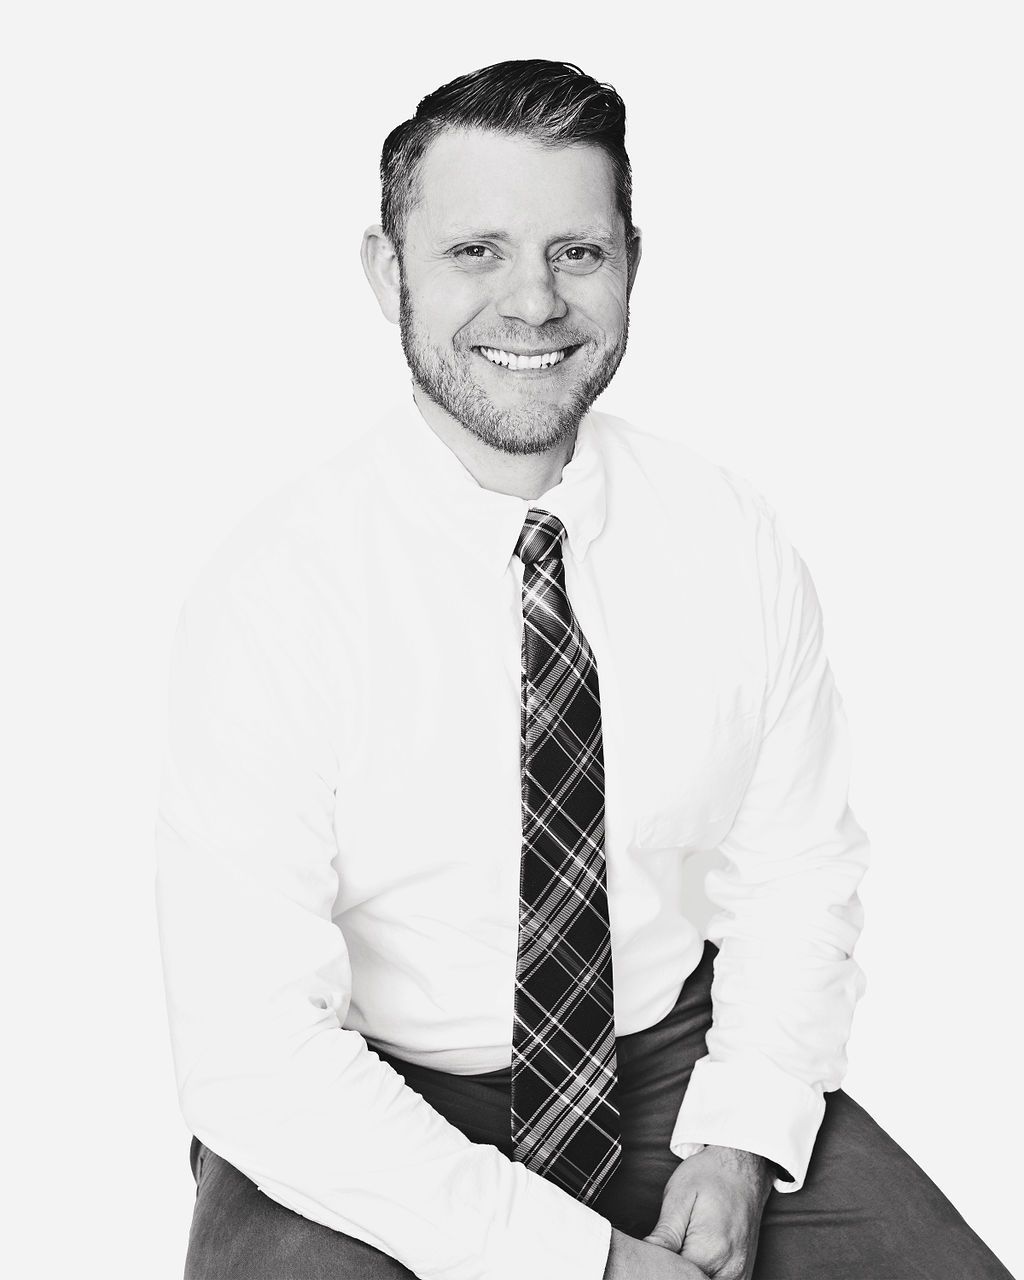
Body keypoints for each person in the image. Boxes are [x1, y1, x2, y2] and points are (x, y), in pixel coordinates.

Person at [155, 60, 1014, 1280]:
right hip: (362, 1097)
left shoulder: (728, 537)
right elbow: (254, 1049)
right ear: (385, 269)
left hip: (667, 1069)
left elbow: (797, 869)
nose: (533, 301)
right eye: (474, 252)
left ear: (629, 267)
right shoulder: (274, 595)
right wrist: (588, 1261)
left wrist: (736, 1134)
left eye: (576, 252)